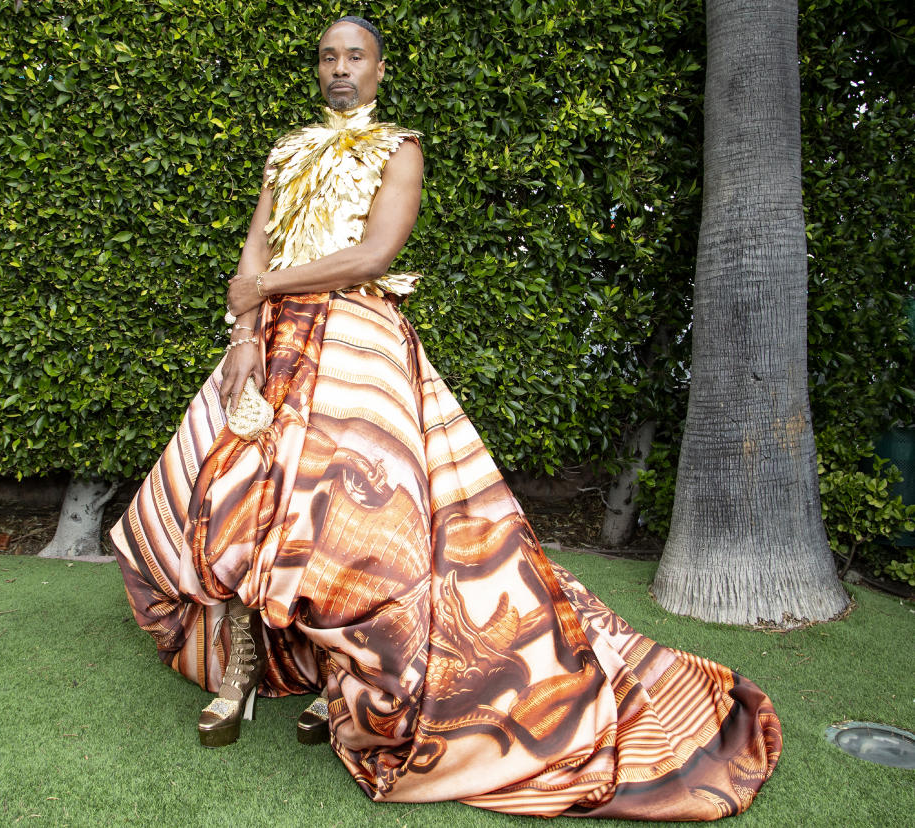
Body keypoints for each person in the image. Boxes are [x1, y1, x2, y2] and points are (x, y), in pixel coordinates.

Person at [109, 16, 781, 820]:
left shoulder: (400, 149)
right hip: (275, 346)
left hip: (357, 340)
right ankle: (244, 672)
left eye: (354, 56)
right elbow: (251, 253)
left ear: (380, 69)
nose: (339, 69)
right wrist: (243, 334)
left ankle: (345, 679)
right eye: (327, 57)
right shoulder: (287, 151)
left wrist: (267, 288)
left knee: (354, 525)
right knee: (246, 501)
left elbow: (373, 257)